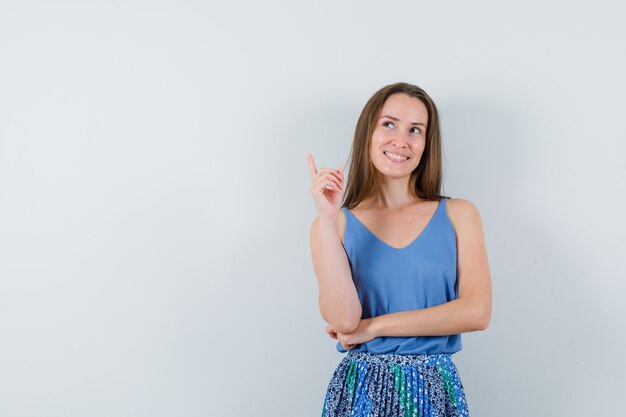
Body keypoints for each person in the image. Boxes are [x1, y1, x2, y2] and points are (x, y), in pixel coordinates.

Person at [306, 82, 492, 416]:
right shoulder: (334, 224)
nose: (401, 141)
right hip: (360, 391)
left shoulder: (459, 214)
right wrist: (328, 217)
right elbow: (344, 321)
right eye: (389, 124)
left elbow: (476, 312)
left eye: (415, 130)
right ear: (369, 132)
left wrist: (374, 327)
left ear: (426, 143)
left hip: (434, 389)